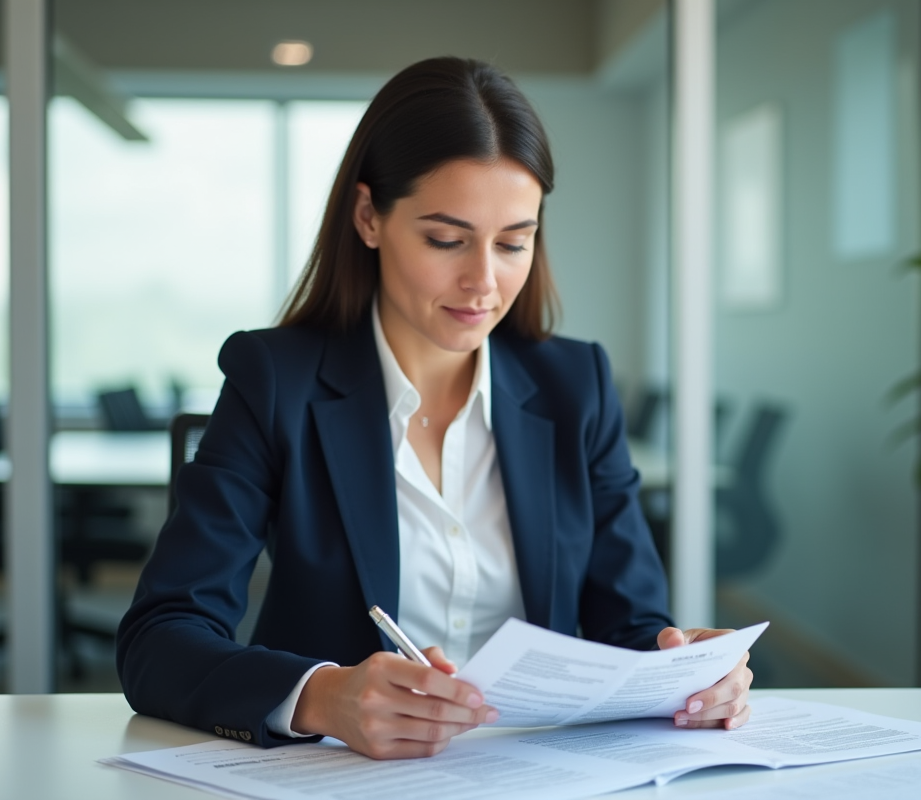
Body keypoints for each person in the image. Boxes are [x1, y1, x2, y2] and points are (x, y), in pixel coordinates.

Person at [117, 56, 753, 760]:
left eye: (515, 241)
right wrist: (326, 696)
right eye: (446, 240)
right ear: (368, 217)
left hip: (541, 774)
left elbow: (634, 624)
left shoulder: (577, 386)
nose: (484, 280)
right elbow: (160, 637)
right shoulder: (277, 381)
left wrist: (684, 667)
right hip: (345, 776)